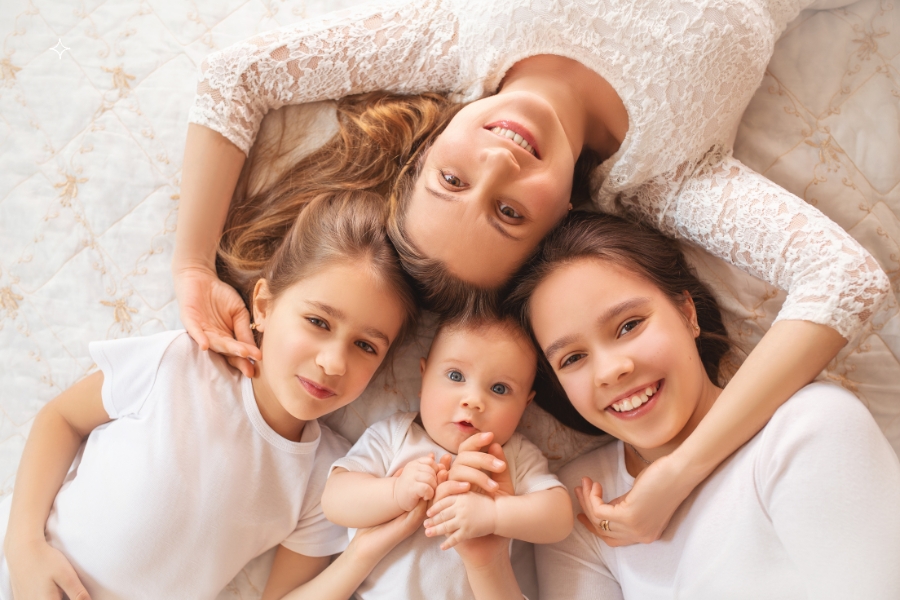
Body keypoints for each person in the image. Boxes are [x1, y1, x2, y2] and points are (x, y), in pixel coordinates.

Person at [173, 0, 893, 544]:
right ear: (560, 221)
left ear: (427, 151)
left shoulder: (459, 40)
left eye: (451, 181)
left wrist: (192, 265)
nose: (497, 165)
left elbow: (237, 75)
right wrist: (676, 473)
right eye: (511, 214)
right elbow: (847, 279)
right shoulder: (668, 177)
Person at [0, 192, 424, 599]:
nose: (334, 362)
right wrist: (22, 548)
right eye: (317, 321)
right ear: (264, 306)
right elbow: (61, 418)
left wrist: (364, 552)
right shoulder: (181, 363)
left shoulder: (329, 479)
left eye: (366, 346)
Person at [503, 211, 900, 599]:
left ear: (687, 313)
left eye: (629, 325)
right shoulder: (574, 502)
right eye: (571, 359)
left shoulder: (810, 428)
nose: (610, 371)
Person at [322, 314, 573, 599]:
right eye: (456, 376)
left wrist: (495, 515)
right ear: (423, 376)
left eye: (500, 389)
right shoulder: (397, 435)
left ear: (525, 404)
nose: (474, 400)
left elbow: (559, 518)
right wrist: (393, 492)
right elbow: (334, 499)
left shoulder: (510, 456)